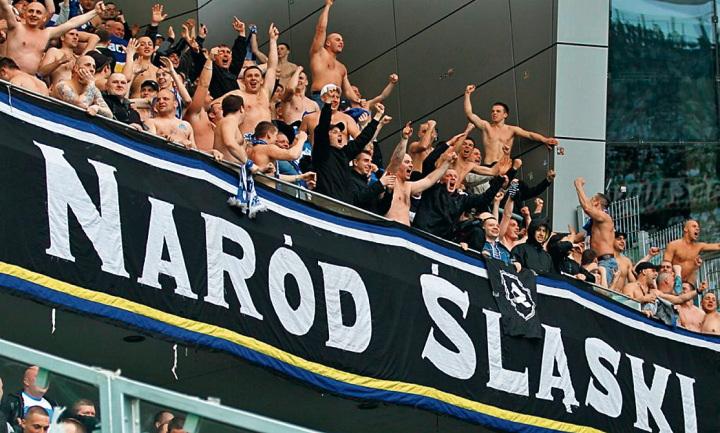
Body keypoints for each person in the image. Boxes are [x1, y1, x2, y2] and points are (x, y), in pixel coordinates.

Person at [0, 0, 104, 75]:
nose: (34, 15)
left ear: (44, 18)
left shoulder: (46, 33)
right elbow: (4, 5)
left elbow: (72, 23)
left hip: (31, 79)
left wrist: (95, 11)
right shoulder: (15, 26)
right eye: (30, 11)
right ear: (24, 14)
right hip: (9, 75)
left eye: (38, 12)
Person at [464, 84, 558, 166]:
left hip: (503, 167)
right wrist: (467, 94)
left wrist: (544, 139)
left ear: (505, 115)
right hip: (489, 166)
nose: (494, 113)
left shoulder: (511, 130)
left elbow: (529, 135)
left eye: (498, 111)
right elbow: (469, 114)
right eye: (493, 111)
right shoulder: (486, 126)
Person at [312, 95, 381, 203]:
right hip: (326, 204)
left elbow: (362, 140)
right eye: (335, 132)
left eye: (340, 132)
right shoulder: (322, 152)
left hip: (346, 207)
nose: (340, 134)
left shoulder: (344, 153)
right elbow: (322, 128)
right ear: (326, 137)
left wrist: (376, 118)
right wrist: (327, 105)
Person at [384, 133, 456, 226]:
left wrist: (447, 163)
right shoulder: (389, 179)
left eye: (411, 162)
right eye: (407, 162)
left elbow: (429, 180)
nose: (411, 165)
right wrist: (404, 139)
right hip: (389, 229)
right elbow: (396, 160)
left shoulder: (409, 186)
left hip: (405, 231)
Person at [219, 23, 279, 134]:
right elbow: (214, 105)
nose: (253, 78)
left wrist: (273, 40)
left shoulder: (265, 93)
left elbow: (272, 67)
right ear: (243, 80)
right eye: (249, 76)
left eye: (256, 75)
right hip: (247, 141)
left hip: (268, 140)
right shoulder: (238, 95)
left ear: (262, 80)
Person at [308, 0, 360, 105]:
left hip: (336, 101)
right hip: (320, 98)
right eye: (337, 40)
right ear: (327, 43)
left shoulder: (342, 68)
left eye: (342, 41)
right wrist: (328, 5)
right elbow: (320, 29)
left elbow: (348, 91)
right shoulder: (319, 53)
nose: (341, 42)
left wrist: (359, 101)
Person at [574, 177, 616, 284]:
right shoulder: (595, 222)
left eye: (592, 199)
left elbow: (587, 208)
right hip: (596, 261)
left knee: (601, 291)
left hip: (605, 262)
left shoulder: (604, 217)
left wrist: (578, 185)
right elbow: (579, 237)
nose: (589, 201)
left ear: (597, 203)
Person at [664, 219, 720, 284]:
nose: (697, 229)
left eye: (698, 227)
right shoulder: (673, 245)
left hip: (689, 284)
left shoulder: (699, 246)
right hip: (674, 283)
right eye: (694, 226)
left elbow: (718, 246)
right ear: (685, 229)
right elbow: (665, 266)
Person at [0, 366, 55, 430]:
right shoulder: (12, 402)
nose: (43, 381)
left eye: (46, 378)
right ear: (26, 381)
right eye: (39, 377)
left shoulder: (54, 406)